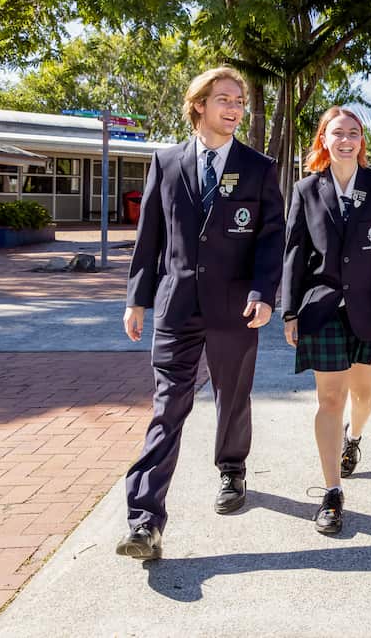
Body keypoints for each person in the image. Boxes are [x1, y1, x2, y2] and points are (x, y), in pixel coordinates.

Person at [117, 66, 285, 560]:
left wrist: (263, 291)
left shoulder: (258, 167)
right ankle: (144, 522)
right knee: (168, 407)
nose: (234, 109)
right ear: (198, 106)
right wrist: (137, 299)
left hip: (237, 306)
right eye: (224, 100)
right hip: (177, 304)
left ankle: (232, 468)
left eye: (239, 101)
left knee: (234, 395)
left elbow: (271, 237)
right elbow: (150, 235)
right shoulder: (165, 162)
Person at [280, 107, 371, 534]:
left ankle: (354, 438)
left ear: (361, 142)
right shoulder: (306, 190)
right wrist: (290, 309)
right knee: (330, 398)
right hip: (322, 308)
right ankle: (332, 491)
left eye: (354, 133)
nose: (347, 139)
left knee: (363, 392)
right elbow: (295, 252)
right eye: (338, 133)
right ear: (324, 140)